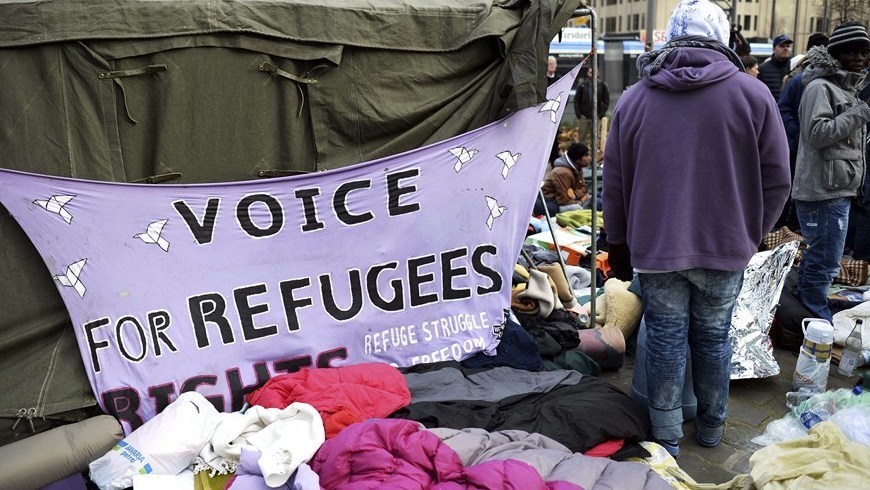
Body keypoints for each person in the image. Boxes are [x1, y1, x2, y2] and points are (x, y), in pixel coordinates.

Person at [602, 0, 791, 457]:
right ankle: (711, 427)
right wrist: (750, 232)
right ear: (723, 39)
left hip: (657, 247)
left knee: (665, 339)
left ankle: (666, 433)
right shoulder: (753, 94)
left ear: (669, 39)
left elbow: (615, 182)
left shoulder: (635, 98)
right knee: (713, 337)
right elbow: (778, 178)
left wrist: (619, 244)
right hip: (725, 247)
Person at [791, 21, 870, 323]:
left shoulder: (844, 88)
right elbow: (817, 133)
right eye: (852, 52)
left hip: (836, 189)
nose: (860, 58)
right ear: (836, 55)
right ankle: (814, 316)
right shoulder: (819, 88)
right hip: (823, 192)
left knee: (823, 259)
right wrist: (862, 111)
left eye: (864, 52)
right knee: (825, 261)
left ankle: (810, 308)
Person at [775, 32, 830, 231]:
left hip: (817, 150)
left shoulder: (833, 82)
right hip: (796, 148)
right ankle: (783, 230)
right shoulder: (799, 80)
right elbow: (783, 109)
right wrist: (797, 134)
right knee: (790, 189)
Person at [534, 142, 591, 216]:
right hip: (552, 203)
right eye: (586, 155)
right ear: (577, 159)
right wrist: (580, 201)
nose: (589, 158)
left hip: (569, 200)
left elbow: (584, 188)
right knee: (578, 208)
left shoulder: (577, 169)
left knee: (591, 199)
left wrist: (575, 195)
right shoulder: (563, 173)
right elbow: (564, 200)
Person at [573, 66, 610, 147]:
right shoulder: (582, 85)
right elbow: (576, 100)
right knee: (581, 139)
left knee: (594, 139)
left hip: (596, 117)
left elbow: (606, 101)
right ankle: (581, 154)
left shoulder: (602, 85)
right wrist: (579, 115)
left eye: (594, 72)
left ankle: (593, 154)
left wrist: (600, 115)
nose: (592, 74)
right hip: (584, 117)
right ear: (587, 73)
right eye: (590, 72)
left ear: (598, 73)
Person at [758, 34, 793, 99]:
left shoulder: (793, 68)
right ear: (774, 49)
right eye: (782, 46)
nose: (786, 49)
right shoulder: (762, 69)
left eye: (788, 46)